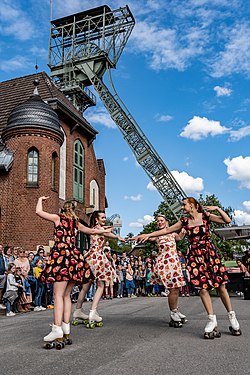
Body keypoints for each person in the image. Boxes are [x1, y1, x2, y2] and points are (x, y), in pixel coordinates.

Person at [133, 197, 242, 338]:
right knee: (202, 288)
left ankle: (232, 317)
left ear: (193, 205)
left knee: (220, 286)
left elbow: (227, 220)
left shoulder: (205, 216)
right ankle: (211, 319)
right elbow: (166, 230)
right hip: (195, 257)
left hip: (209, 254)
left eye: (184, 205)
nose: (182, 207)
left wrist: (217, 208)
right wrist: (148, 234)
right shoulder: (184, 222)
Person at [36, 196, 113, 348]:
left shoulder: (58, 219)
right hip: (74, 258)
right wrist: (107, 230)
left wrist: (40, 199)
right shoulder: (76, 224)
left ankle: (56, 328)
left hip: (61, 257)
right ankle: (66, 328)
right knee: (66, 295)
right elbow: (92, 231)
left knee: (57, 295)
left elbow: (38, 211)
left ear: (63, 209)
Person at [73, 210, 125, 327]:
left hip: (90, 257)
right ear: (96, 219)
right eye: (102, 217)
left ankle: (77, 311)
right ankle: (93, 312)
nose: (104, 218)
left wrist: (108, 228)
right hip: (98, 257)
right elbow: (106, 234)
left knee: (85, 287)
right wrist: (118, 237)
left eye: (104, 217)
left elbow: (105, 230)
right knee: (101, 285)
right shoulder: (99, 229)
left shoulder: (95, 227)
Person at [148, 215, 187, 327]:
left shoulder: (172, 233)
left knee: (177, 288)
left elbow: (179, 237)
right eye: (158, 221)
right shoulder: (157, 234)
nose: (159, 222)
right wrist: (143, 237)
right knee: (173, 289)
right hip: (165, 264)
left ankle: (176, 310)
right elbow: (149, 237)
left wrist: (183, 230)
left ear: (166, 222)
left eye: (161, 220)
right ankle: (173, 313)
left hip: (174, 263)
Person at [0, 244, 7, 309]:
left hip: (3, 274)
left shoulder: (3, 256)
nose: (0, 249)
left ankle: (0, 302)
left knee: (1, 290)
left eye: (1, 248)